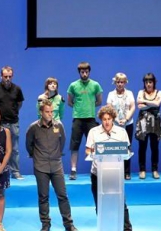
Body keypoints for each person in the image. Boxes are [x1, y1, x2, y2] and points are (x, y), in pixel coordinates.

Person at [26, 99, 78, 231]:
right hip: (40, 167)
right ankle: (45, 224)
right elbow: (29, 145)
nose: (50, 114)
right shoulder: (33, 128)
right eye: (47, 112)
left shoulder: (59, 125)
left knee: (63, 195)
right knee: (43, 197)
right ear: (41, 112)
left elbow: (62, 143)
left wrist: (56, 155)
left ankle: (69, 224)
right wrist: (37, 156)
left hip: (56, 166)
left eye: (52, 112)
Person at [86, 105, 133, 231]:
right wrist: (94, 151)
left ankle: (126, 228)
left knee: (120, 203)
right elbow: (87, 150)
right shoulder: (93, 132)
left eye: (109, 119)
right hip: (97, 174)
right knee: (100, 203)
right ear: (101, 119)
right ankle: (105, 227)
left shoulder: (121, 132)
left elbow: (127, 150)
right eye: (104, 119)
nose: (106, 122)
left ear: (113, 119)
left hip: (115, 174)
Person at [0, 66, 25, 180]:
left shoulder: (17, 89)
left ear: (12, 76)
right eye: (5, 76)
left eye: (9, 76)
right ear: (1, 76)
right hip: (0, 124)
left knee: (15, 149)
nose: (7, 78)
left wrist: (13, 112)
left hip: (14, 122)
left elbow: (19, 104)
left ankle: (16, 172)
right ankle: (0, 171)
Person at [67, 61, 103, 180]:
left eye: (86, 72)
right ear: (79, 72)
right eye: (82, 72)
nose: (84, 74)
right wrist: (79, 108)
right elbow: (69, 102)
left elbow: (99, 101)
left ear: (89, 72)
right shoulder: (73, 85)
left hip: (91, 119)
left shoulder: (95, 85)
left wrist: (89, 107)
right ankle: (73, 170)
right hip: (77, 119)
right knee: (74, 146)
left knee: (94, 146)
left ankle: (96, 169)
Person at [106, 72, 135, 180]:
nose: (120, 84)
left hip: (128, 124)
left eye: (122, 82)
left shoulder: (130, 93)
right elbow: (109, 108)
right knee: (115, 147)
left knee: (127, 147)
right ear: (115, 82)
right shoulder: (110, 94)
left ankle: (127, 172)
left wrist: (126, 119)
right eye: (118, 82)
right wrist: (117, 119)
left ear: (125, 83)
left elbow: (132, 107)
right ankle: (116, 172)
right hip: (115, 125)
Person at [135, 72, 161, 180]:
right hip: (143, 124)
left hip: (155, 123)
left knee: (154, 148)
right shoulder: (140, 92)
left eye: (150, 82)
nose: (148, 84)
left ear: (154, 82)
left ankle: (155, 170)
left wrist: (145, 102)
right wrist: (151, 103)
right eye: (146, 82)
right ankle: (142, 170)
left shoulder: (159, 92)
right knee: (142, 147)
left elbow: (157, 104)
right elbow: (139, 106)